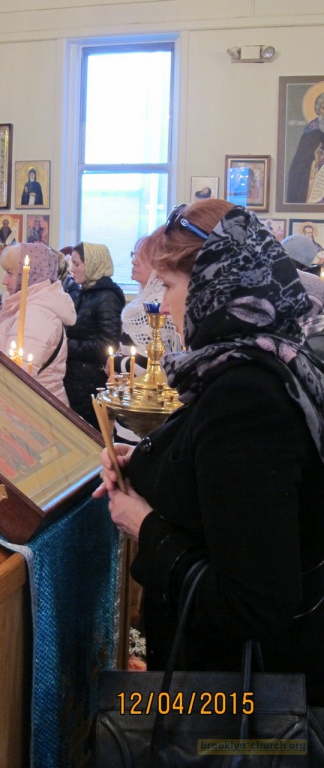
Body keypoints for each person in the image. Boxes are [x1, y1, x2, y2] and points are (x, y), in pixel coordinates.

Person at [94, 199, 324, 705]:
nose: (164, 305)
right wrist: (149, 464)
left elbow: (252, 601)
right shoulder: (259, 359)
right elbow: (226, 483)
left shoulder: (245, 393)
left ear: (215, 285)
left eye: (169, 285)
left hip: (231, 698)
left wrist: (142, 524)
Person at [112, 240, 182, 443]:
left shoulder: (159, 306)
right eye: (133, 255)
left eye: (142, 258)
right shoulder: (139, 302)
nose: (134, 261)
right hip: (130, 405)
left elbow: (152, 365)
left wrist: (115, 363)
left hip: (147, 413)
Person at [0, 242, 76, 404]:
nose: (4, 281)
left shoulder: (36, 314)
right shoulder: (25, 305)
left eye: (10, 273)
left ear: (31, 275)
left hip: (36, 406)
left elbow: (17, 375)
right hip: (28, 402)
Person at [64, 241, 125, 427]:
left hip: (92, 382)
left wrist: (66, 345)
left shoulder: (107, 297)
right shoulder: (83, 291)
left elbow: (108, 344)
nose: (71, 269)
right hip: (76, 378)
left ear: (92, 264)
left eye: (77, 264)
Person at [287, 91, 324, 204]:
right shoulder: (311, 130)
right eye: (323, 108)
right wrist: (316, 160)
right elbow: (302, 159)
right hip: (317, 174)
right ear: (319, 110)